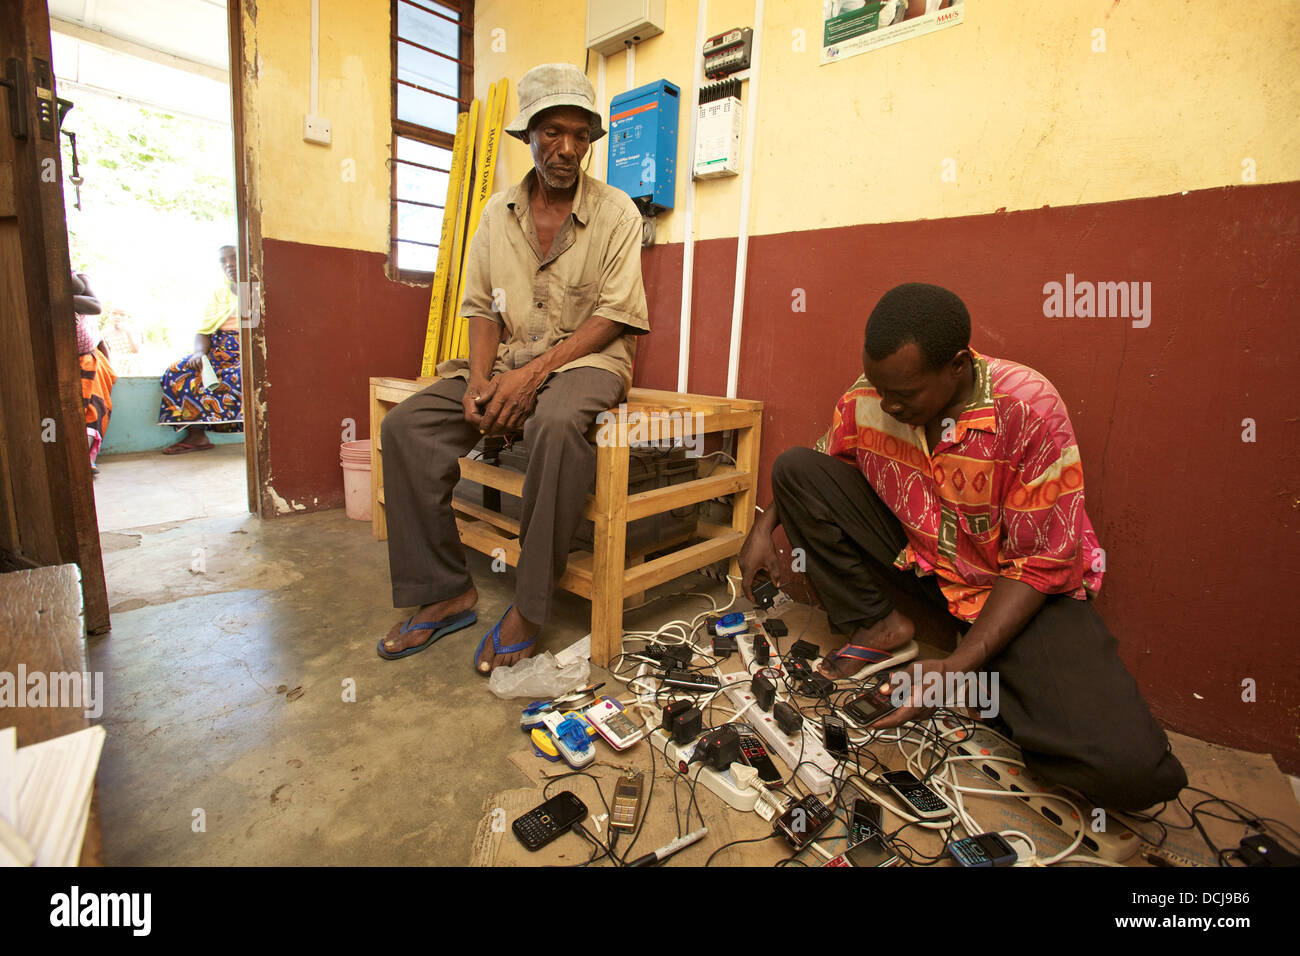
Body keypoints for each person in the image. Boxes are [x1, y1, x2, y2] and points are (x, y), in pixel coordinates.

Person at [739, 283, 1187, 811]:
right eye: (881, 389)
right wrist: (760, 532)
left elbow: (1043, 564)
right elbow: (819, 459)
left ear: (956, 366)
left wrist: (959, 664)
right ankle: (882, 626)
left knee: (1129, 771)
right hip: (930, 569)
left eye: (904, 394)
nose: (887, 404)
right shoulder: (874, 395)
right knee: (794, 467)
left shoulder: (1028, 407)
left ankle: (995, 685)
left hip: (1016, 594)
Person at [378, 63, 650, 673]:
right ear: (527, 135)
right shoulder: (495, 212)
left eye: (581, 135)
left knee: (555, 425)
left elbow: (615, 317)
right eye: (553, 132)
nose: (568, 148)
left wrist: (533, 378)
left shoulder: (617, 213)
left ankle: (530, 605)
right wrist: (479, 378)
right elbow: (480, 308)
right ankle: (445, 591)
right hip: (506, 360)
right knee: (407, 430)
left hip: (588, 359)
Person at [157, 245, 243, 453]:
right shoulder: (219, 295)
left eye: (234, 258)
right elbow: (203, 331)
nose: (229, 264)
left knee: (241, 376)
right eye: (223, 260)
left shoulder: (257, 291)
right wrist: (199, 354)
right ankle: (196, 437)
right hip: (218, 350)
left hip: (246, 351)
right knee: (179, 372)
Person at [73, 270, 115, 476]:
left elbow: (96, 307)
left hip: (87, 360)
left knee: (92, 406)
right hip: (53, 360)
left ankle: (84, 458)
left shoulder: (80, 281)